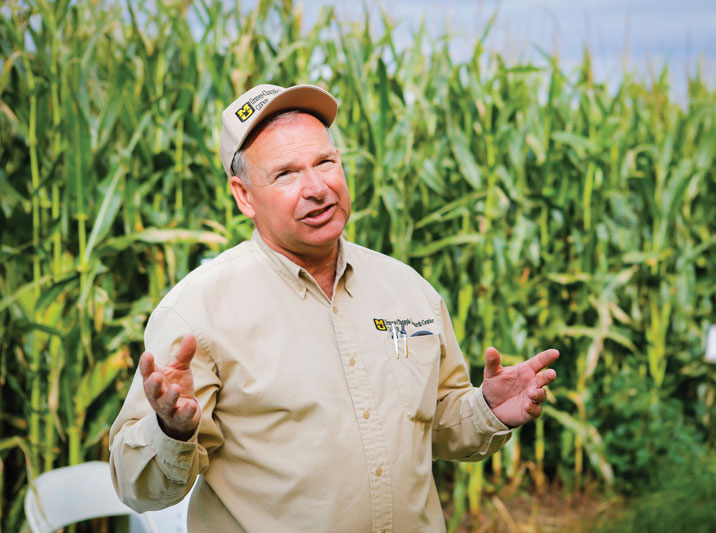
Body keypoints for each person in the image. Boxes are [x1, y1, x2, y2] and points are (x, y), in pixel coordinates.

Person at [109, 83, 559, 532]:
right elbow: (139, 489)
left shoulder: (407, 289)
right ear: (243, 195)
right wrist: (171, 431)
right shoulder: (197, 313)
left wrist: (486, 409)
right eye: (285, 174)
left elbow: (436, 423)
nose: (317, 188)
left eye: (325, 163)